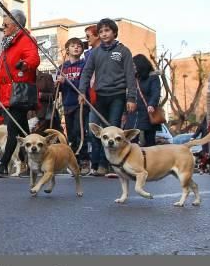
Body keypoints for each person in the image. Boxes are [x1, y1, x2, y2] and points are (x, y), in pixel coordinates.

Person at [79, 18, 137, 177]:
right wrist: (82, 91)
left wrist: (131, 98)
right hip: (99, 97)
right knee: (95, 131)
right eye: (101, 31)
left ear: (114, 32)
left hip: (117, 96)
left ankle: (109, 165)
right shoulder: (94, 53)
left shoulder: (123, 51)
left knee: (113, 131)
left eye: (107, 31)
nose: (104, 34)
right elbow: (86, 72)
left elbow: (130, 76)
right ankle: (98, 164)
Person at [0, 10, 40, 177]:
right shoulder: (6, 45)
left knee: (12, 130)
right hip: (8, 94)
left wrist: (24, 64)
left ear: (16, 25)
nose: (2, 27)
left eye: (5, 24)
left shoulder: (26, 39)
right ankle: (33, 162)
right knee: (23, 130)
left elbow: (34, 58)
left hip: (19, 92)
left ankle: (2, 164)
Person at [57, 37, 90, 174]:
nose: (76, 48)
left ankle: (84, 160)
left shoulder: (84, 65)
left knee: (79, 131)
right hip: (67, 103)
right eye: (73, 46)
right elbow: (60, 88)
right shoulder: (62, 67)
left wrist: (67, 82)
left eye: (79, 46)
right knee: (70, 134)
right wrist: (58, 84)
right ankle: (74, 160)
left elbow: (83, 85)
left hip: (80, 103)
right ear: (67, 49)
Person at [132, 54, 162, 147]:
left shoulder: (153, 77)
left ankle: (151, 160)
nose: (133, 67)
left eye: (134, 65)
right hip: (134, 112)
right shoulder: (134, 78)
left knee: (149, 140)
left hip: (148, 111)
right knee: (132, 139)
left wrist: (152, 104)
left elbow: (155, 92)